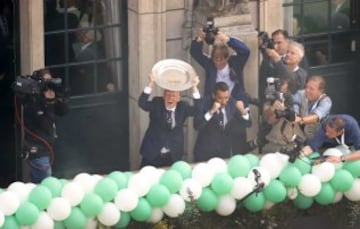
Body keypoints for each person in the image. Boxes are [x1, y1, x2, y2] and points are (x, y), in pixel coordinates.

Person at [190, 29, 251, 153]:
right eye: (215, 59)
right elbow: (195, 52)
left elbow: (245, 51)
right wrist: (200, 38)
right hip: (216, 103)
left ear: (227, 57)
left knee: (238, 137)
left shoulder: (235, 62)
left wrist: (227, 39)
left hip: (234, 102)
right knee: (214, 137)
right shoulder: (209, 64)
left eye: (221, 59)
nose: (218, 62)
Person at [138, 73, 201, 168]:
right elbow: (142, 103)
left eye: (174, 95)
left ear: (179, 98)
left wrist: (194, 87)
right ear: (163, 96)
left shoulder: (182, 107)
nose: (171, 98)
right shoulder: (157, 103)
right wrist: (151, 83)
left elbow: (198, 110)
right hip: (152, 153)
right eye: (168, 95)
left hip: (172, 155)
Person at [21, 69, 68, 183]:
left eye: (50, 80)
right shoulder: (33, 102)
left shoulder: (47, 99)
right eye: (45, 81)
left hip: (48, 147)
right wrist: (48, 103)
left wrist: (59, 98)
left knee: (39, 183)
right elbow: (45, 121)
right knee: (45, 182)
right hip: (37, 148)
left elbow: (63, 111)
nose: (48, 84)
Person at [193, 82, 251, 161]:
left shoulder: (232, 103)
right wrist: (211, 112)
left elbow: (248, 124)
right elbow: (197, 125)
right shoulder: (205, 103)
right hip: (205, 153)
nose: (224, 102)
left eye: (226, 98)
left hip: (224, 153)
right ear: (214, 96)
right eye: (220, 98)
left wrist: (243, 111)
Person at [259, 29, 309, 103]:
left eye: (279, 43)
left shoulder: (301, 70)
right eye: (274, 43)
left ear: (287, 41)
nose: (275, 46)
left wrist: (277, 60)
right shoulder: (269, 59)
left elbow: (292, 79)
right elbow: (263, 83)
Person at [292, 75, 332, 141]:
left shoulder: (326, 101)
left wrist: (300, 120)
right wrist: (294, 114)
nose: (307, 90)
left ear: (321, 91)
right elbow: (295, 104)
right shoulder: (301, 94)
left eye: (311, 89)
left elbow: (316, 117)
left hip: (316, 137)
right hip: (300, 134)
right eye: (306, 87)